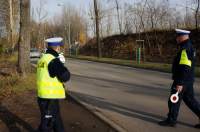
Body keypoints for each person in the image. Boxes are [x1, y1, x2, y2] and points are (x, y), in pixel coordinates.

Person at [159, 29, 200, 128]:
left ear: (181, 37)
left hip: (182, 80)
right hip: (188, 80)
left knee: (173, 101)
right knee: (190, 101)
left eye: (177, 37)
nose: (176, 39)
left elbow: (185, 67)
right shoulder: (189, 47)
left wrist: (180, 82)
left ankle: (171, 120)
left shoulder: (185, 48)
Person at [37, 37, 70, 132]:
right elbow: (65, 76)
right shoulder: (53, 60)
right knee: (46, 126)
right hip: (49, 99)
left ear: (48, 47)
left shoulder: (42, 59)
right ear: (58, 48)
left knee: (57, 123)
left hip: (45, 97)